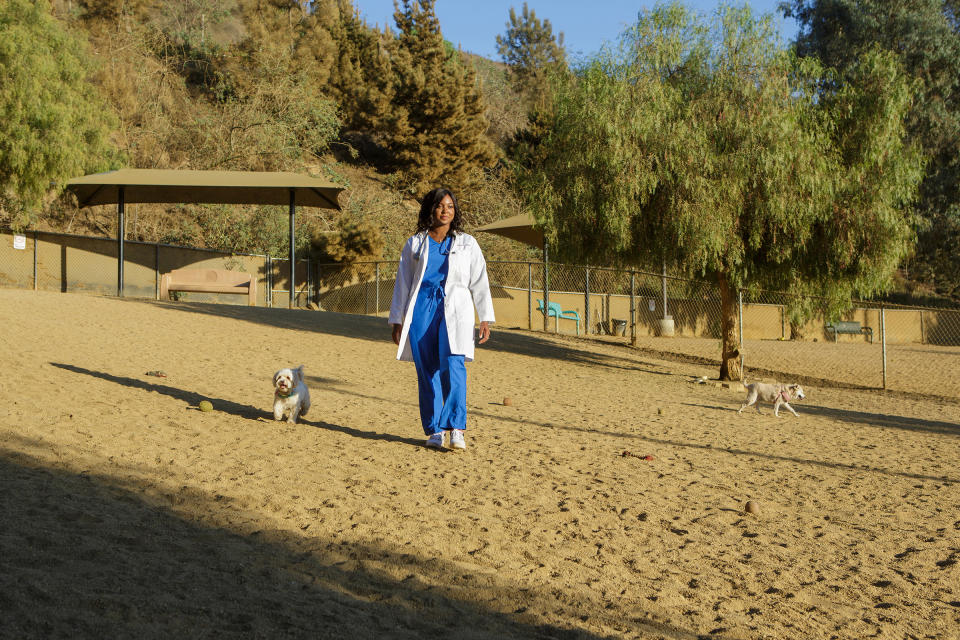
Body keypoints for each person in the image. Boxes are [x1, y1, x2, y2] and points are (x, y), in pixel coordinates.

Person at [388, 187, 495, 450]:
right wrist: (397, 320)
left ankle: (456, 428)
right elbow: (403, 283)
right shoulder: (416, 243)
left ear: (454, 211)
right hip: (422, 309)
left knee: (453, 366)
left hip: (456, 309)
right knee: (426, 371)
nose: (445, 211)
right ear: (430, 210)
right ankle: (435, 430)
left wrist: (485, 318)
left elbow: (479, 280)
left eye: (449, 206)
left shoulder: (467, 243)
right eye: (439, 206)